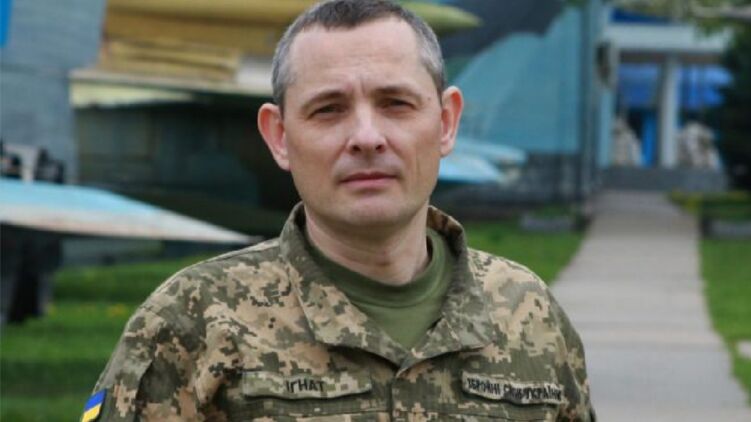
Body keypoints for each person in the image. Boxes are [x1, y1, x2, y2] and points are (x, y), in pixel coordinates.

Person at [84, 1, 595, 420]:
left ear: (445, 122)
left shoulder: (530, 315)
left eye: (396, 103)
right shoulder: (192, 321)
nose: (367, 137)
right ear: (279, 136)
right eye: (328, 109)